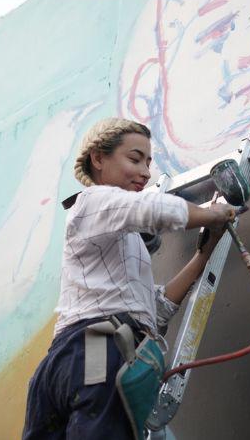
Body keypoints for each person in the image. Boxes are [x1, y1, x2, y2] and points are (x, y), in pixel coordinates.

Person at [22, 118, 237, 439]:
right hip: (95, 345)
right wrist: (214, 213)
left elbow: (155, 310)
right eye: (135, 159)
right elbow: (153, 209)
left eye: (148, 163)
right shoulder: (92, 202)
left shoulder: (117, 239)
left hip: (68, 361)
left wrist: (203, 255)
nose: (146, 172)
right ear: (98, 158)